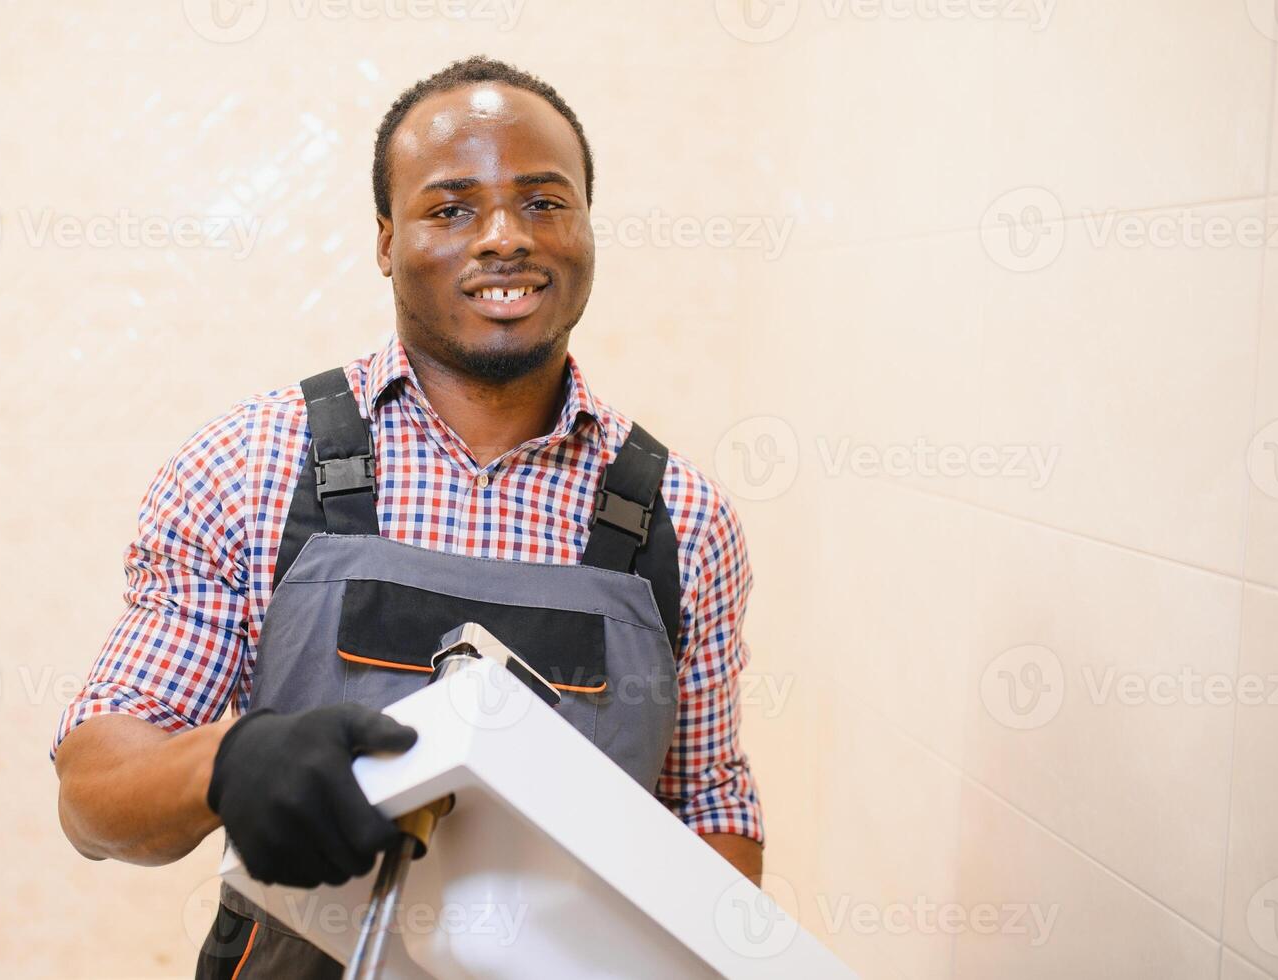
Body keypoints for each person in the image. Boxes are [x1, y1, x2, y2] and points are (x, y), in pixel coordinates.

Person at [52, 55, 764, 978]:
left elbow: (711, 818)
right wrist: (227, 761)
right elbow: (93, 797)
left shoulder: (685, 520)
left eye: (545, 202)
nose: (505, 237)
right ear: (386, 240)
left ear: (588, 228)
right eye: (451, 207)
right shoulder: (247, 468)